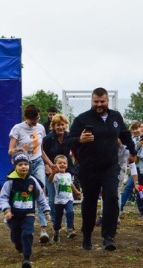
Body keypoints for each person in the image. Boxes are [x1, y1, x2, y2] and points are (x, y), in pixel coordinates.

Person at [68, 87, 136, 251]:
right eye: (96, 102)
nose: (99, 105)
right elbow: (69, 140)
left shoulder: (116, 117)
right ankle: (87, 236)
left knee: (112, 198)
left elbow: (125, 135)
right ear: (92, 101)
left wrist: (132, 151)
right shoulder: (82, 119)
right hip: (89, 168)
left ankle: (109, 237)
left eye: (102, 101)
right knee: (89, 202)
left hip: (110, 166)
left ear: (107, 101)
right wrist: (80, 139)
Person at [0, 152, 51, 268]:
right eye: (20, 165)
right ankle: (18, 245)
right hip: (14, 215)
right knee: (16, 235)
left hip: (28, 213)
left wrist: (46, 211)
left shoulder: (32, 180)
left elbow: (40, 197)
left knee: (27, 233)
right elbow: (3, 197)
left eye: (25, 164)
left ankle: (26, 259)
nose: (23, 167)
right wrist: (7, 210)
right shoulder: (10, 181)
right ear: (15, 166)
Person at [8, 103, 49, 243]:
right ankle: (16, 220)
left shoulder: (41, 128)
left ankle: (43, 228)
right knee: (23, 193)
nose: (35, 122)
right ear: (27, 118)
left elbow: (41, 150)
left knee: (41, 191)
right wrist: (21, 149)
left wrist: (50, 164)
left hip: (37, 162)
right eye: (33, 120)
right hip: (23, 164)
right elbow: (10, 151)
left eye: (37, 119)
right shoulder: (17, 129)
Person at [41, 113, 76, 227]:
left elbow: (75, 150)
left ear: (65, 125)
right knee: (52, 197)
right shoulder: (48, 138)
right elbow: (42, 153)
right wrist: (48, 166)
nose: (60, 127)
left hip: (66, 169)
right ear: (53, 126)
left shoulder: (69, 136)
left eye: (62, 125)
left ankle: (68, 221)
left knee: (66, 194)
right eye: (57, 125)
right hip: (51, 169)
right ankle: (56, 222)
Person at [48, 155, 82, 243]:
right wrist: (53, 173)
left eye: (64, 163)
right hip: (59, 201)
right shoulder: (56, 175)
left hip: (68, 199)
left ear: (67, 165)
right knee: (58, 218)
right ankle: (56, 232)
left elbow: (70, 184)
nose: (62, 164)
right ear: (56, 165)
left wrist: (76, 191)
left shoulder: (68, 175)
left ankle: (70, 228)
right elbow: (50, 181)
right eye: (60, 163)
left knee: (70, 212)